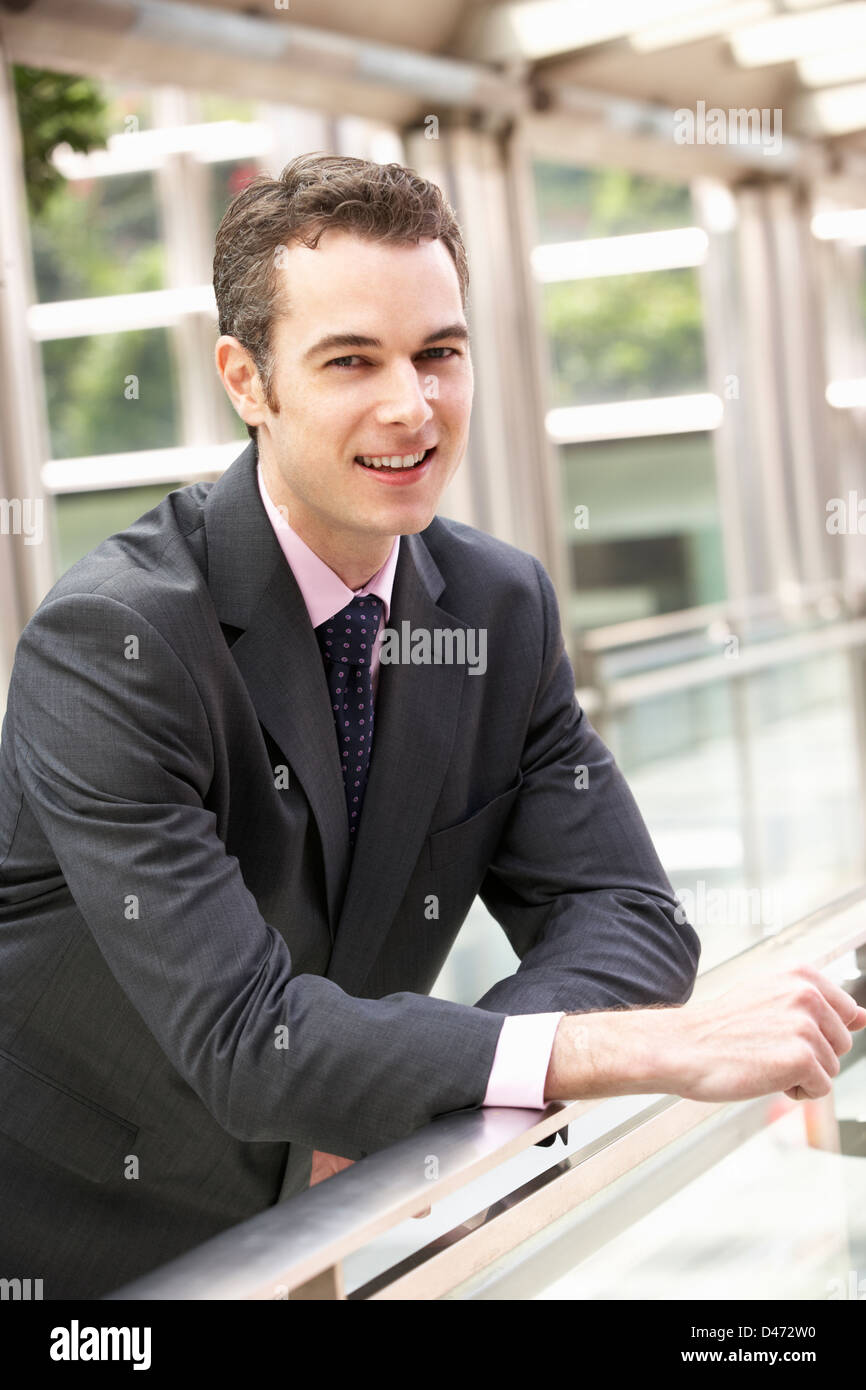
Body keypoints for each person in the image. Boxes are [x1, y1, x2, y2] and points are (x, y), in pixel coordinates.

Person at [0, 154, 862, 1300]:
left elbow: (629, 916)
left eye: (438, 353)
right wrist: (620, 1050)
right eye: (351, 359)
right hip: (66, 1248)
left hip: (324, 1214)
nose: (411, 405)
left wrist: (414, 1089)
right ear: (245, 380)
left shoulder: (496, 609)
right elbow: (246, 1037)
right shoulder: (114, 643)